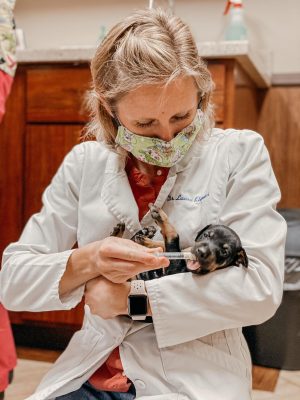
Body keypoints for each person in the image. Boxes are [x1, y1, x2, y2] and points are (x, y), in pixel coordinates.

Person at [0, 7, 287, 400]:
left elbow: (260, 288)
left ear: (201, 96)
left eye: (183, 117)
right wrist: (91, 260)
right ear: (109, 110)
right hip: (91, 370)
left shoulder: (239, 154)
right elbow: (13, 282)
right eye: (146, 125)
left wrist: (135, 300)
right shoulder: (86, 165)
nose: (167, 140)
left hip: (192, 376)